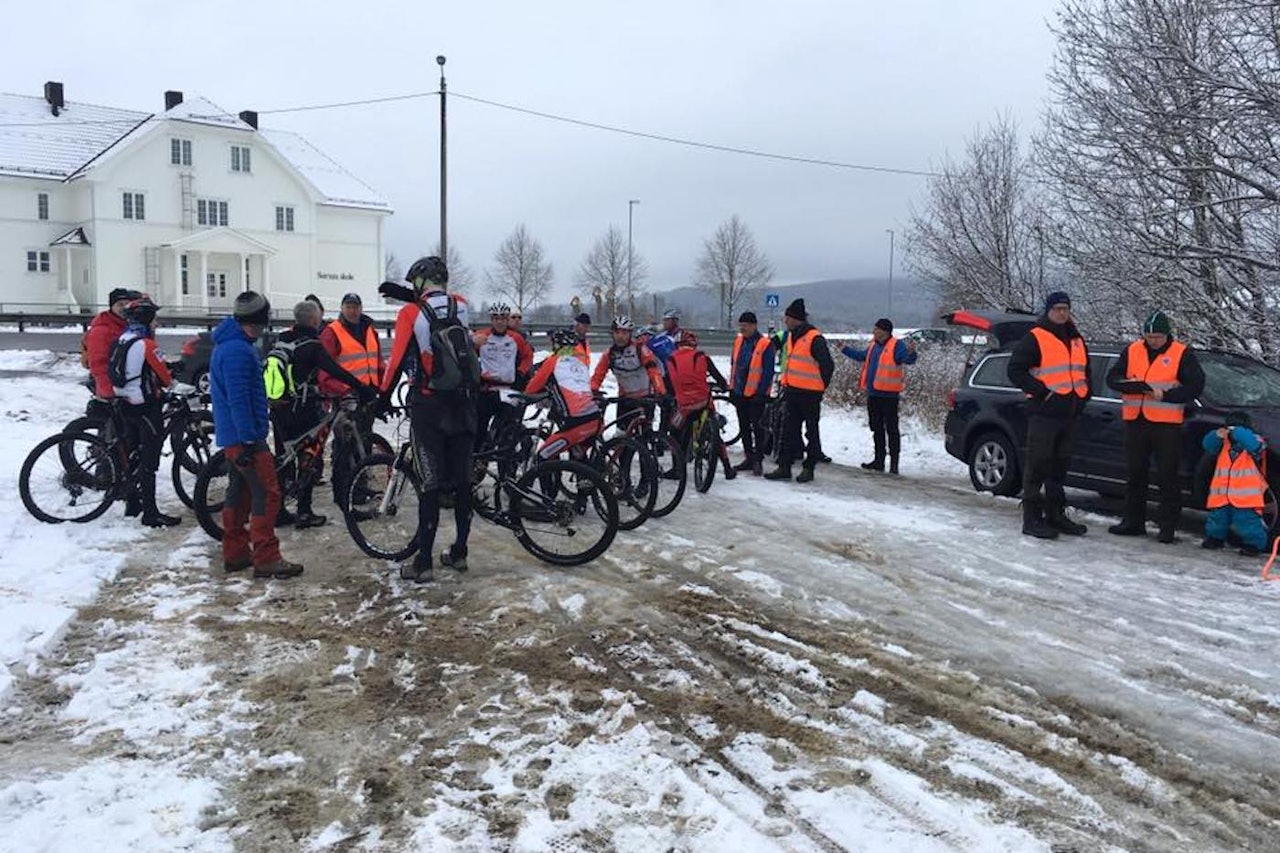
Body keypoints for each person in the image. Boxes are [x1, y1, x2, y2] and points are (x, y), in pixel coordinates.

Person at [379, 256, 477, 583]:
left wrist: (381, 399)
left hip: (429, 406)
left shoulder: (410, 313)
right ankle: (459, 552)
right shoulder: (461, 305)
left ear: (420, 282)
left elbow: (396, 362)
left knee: (429, 484)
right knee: (463, 482)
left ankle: (423, 563)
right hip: (464, 405)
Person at [210, 292, 303, 579]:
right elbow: (239, 399)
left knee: (239, 494)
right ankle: (266, 557)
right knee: (267, 493)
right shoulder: (238, 352)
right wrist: (250, 440)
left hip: (234, 435)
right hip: (245, 437)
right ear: (259, 320)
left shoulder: (229, 345)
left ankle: (236, 552)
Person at [271, 300, 377, 529]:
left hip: (279, 406)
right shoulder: (312, 344)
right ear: (314, 319)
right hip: (303, 409)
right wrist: (361, 388)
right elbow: (335, 370)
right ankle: (304, 512)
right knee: (310, 457)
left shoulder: (282, 339)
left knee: (284, 457)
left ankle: (278, 511)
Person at [1105, 310, 1205, 543]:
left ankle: (1167, 527)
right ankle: (1133, 522)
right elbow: (1113, 377)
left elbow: (1195, 386)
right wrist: (1127, 384)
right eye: (1149, 337)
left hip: (1166, 424)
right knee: (1135, 473)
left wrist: (1166, 395)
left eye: (1157, 337)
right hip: (1135, 420)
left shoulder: (1181, 353)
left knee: (1167, 476)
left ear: (1167, 335)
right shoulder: (1132, 350)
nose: (1152, 341)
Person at [1007, 291, 1091, 540]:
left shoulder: (1076, 339)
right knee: (1037, 466)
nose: (1062, 313)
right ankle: (1032, 518)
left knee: (1059, 468)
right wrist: (1041, 391)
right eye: (1057, 309)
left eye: (1065, 309)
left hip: (1070, 413)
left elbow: (1085, 371)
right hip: (1044, 414)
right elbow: (1015, 370)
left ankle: (1055, 514)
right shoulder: (1036, 337)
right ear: (1049, 311)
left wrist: (1085, 395)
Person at [112, 296, 181, 527]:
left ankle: (133, 503)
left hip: (124, 403)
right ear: (146, 320)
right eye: (154, 320)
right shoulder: (147, 344)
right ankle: (151, 513)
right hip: (145, 406)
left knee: (133, 453)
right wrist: (174, 382)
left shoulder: (123, 339)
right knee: (149, 462)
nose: (156, 324)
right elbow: (165, 378)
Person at [319, 292, 384, 507]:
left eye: (355, 306)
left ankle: (360, 485)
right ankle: (344, 489)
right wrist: (341, 391)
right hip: (346, 397)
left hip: (367, 395)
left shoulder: (369, 330)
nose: (352, 310)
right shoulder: (332, 333)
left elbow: (377, 362)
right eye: (348, 306)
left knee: (364, 442)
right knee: (344, 445)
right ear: (342, 308)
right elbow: (325, 369)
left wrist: (381, 388)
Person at [765, 299, 834, 483]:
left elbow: (827, 365)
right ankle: (784, 467)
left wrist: (820, 386)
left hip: (810, 394)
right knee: (789, 431)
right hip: (792, 390)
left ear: (796, 319)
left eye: (787, 318)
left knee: (811, 432)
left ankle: (808, 468)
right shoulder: (790, 336)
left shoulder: (814, 338)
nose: (785, 321)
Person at [842, 318, 918, 474]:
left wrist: (912, 353)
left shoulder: (896, 345)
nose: (874, 331)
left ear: (885, 331)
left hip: (889, 396)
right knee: (876, 428)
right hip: (874, 394)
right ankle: (879, 460)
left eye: (877, 329)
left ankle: (894, 464)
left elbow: (907, 359)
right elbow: (861, 356)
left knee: (891, 429)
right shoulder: (873, 346)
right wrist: (844, 349)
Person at [666, 331, 736, 480]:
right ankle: (727, 468)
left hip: (684, 406)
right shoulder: (702, 356)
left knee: (674, 432)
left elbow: (669, 384)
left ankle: (677, 468)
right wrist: (724, 386)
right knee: (715, 433)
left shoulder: (671, 359)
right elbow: (718, 378)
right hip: (704, 403)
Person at [525, 327, 605, 457]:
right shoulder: (581, 363)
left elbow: (531, 389)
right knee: (579, 457)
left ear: (557, 345)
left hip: (577, 424)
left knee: (542, 457)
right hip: (596, 421)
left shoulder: (553, 361)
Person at [1201, 411, 1269, 556]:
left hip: (1246, 496)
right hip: (1222, 494)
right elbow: (1208, 445)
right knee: (1217, 519)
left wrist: (1239, 432)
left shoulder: (1256, 441)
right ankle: (1215, 538)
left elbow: (1254, 446)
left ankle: (1254, 545)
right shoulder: (1223, 444)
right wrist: (1216, 435)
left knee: (1247, 522)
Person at [473, 301, 534, 449]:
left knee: (508, 431)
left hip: (508, 390)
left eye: (503, 318)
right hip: (486, 389)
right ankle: (478, 456)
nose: (499, 322)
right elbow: (468, 355)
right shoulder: (482, 336)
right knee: (479, 427)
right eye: (496, 318)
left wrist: (521, 372)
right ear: (491, 320)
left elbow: (528, 356)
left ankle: (504, 458)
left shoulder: (516, 338)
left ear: (507, 320)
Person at [590, 315, 665, 427]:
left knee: (645, 432)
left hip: (645, 398)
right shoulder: (609, 355)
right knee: (621, 433)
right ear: (612, 334)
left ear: (630, 334)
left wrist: (661, 392)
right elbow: (598, 375)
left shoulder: (640, 349)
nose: (621, 337)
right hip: (625, 399)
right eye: (617, 332)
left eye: (625, 333)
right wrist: (593, 391)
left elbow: (654, 371)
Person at [729, 311, 776, 476]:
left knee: (757, 427)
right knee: (744, 427)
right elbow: (734, 365)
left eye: (746, 325)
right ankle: (748, 457)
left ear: (754, 326)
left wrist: (761, 393)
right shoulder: (738, 341)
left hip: (756, 394)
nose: (743, 328)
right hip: (739, 391)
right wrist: (732, 387)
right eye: (741, 325)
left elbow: (768, 371)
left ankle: (758, 460)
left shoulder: (764, 344)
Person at [84, 287, 142, 400]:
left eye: (127, 304)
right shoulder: (101, 330)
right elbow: (98, 364)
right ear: (111, 306)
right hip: (113, 390)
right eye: (120, 304)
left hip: (127, 385)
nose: (124, 308)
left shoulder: (130, 326)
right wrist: (108, 391)